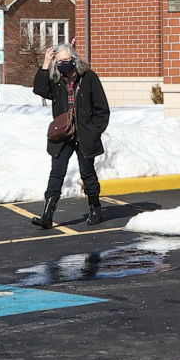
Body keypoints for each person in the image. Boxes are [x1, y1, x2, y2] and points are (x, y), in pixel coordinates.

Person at [29, 44, 110, 230]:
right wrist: (46, 63)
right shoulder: (56, 80)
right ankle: (47, 215)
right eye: (60, 62)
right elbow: (39, 89)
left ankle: (95, 209)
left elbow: (102, 108)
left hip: (84, 134)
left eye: (66, 60)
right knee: (56, 173)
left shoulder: (89, 77)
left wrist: (94, 130)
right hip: (63, 133)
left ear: (74, 59)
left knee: (87, 173)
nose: (64, 64)